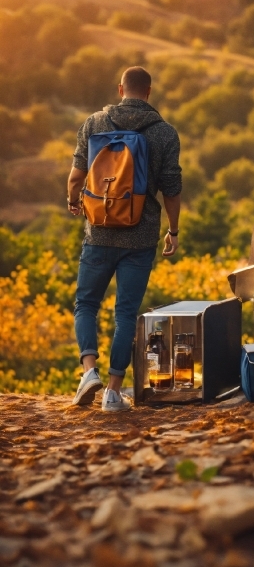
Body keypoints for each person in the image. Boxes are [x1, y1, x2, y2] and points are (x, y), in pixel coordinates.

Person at [67, 66, 181, 412]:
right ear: (148, 91)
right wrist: (173, 231)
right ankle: (114, 392)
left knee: (86, 304)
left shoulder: (93, 124)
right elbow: (172, 189)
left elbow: (75, 178)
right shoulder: (164, 133)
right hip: (141, 235)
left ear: (120, 89)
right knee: (126, 313)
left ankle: (89, 371)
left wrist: (75, 203)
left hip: (100, 231)